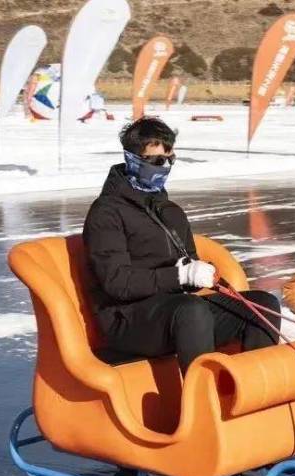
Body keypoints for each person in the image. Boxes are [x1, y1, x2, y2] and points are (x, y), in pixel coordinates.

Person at [83, 116, 282, 375]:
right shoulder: (106, 212)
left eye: (169, 160)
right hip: (128, 321)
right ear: (132, 160)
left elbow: (187, 269)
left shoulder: (170, 211)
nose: (164, 167)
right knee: (191, 310)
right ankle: (204, 403)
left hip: (176, 312)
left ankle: (255, 390)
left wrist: (198, 272)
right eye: (155, 161)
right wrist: (178, 275)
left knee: (261, 305)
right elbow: (117, 282)